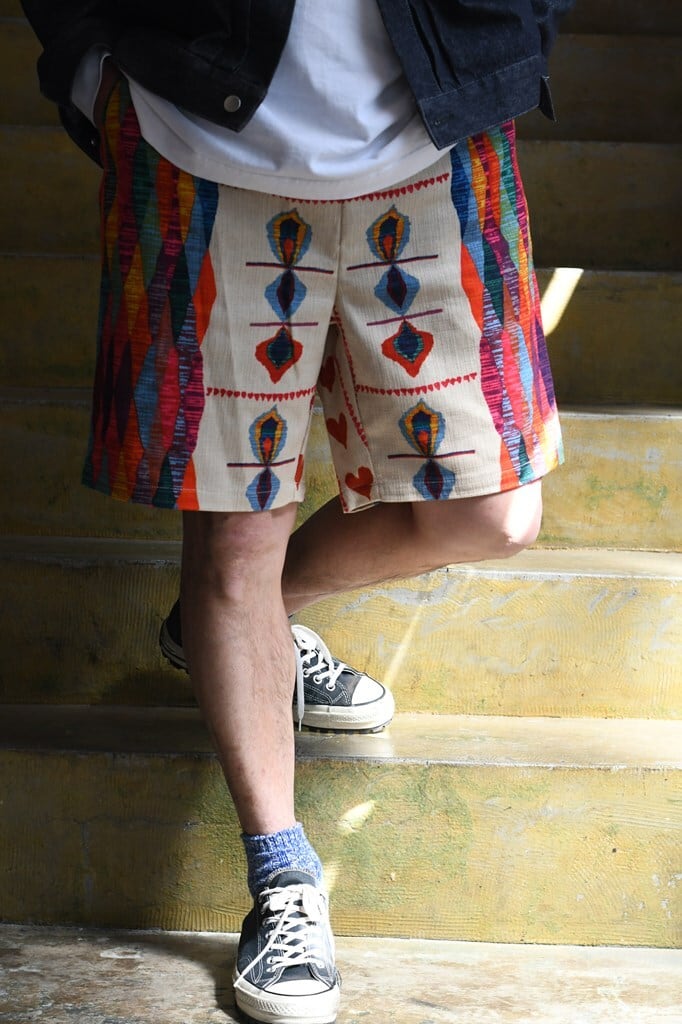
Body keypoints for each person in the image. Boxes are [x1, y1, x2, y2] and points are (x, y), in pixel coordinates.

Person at [21, 2, 572, 1020]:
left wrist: (516, 37)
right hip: (198, 137)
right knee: (235, 539)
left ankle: (237, 627)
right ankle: (282, 874)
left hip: (436, 129)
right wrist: (93, 68)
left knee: (494, 513)